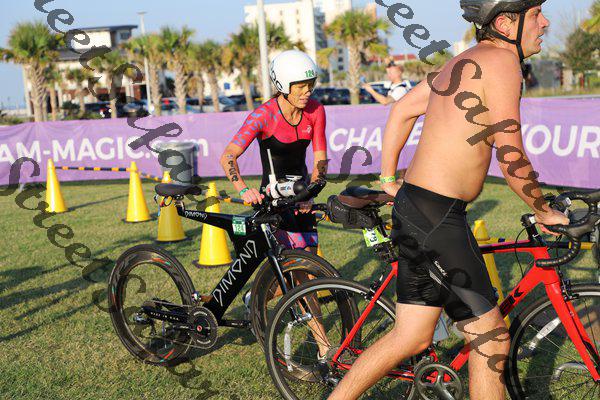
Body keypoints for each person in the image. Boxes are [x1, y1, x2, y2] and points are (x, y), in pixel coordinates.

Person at [328, 1, 569, 400]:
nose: (545, 22)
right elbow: (510, 153)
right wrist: (543, 210)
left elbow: (402, 110)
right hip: (436, 215)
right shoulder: (502, 62)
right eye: (536, 13)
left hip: (418, 206)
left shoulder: (461, 62)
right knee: (491, 338)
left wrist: (389, 180)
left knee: (411, 336)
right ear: (505, 22)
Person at [220, 50, 328, 253]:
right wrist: (243, 189)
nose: (307, 91)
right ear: (283, 85)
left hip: (302, 195)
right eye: (301, 86)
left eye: (310, 84)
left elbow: (320, 160)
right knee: (293, 262)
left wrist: (311, 192)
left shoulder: (316, 111)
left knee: (312, 262)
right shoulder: (263, 115)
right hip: (273, 198)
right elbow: (228, 156)